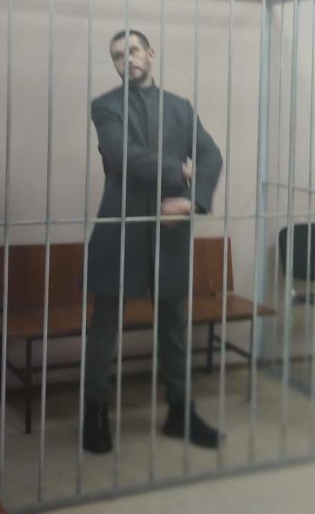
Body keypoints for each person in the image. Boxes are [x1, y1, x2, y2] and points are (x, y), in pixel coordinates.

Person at [82, 29, 223, 453]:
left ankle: (180, 411)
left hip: (169, 228)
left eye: (133, 50)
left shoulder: (179, 106)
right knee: (105, 324)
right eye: (117, 55)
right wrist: (178, 170)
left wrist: (193, 201)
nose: (127, 59)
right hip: (120, 225)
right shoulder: (106, 105)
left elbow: (210, 155)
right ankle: (94, 412)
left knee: (175, 324)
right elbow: (118, 154)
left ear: (151, 53)